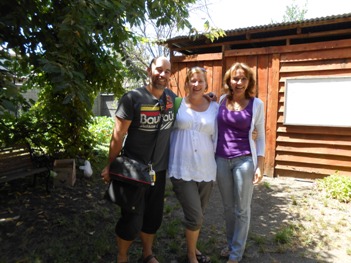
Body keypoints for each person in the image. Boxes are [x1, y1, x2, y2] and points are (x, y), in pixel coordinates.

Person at [101, 56, 176, 263]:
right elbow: (118, 136)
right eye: (159, 69)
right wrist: (111, 165)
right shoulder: (132, 98)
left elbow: (190, 110)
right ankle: (122, 257)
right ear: (148, 70)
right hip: (133, 171)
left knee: (153, 219)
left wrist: (209, 98)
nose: (163, 74)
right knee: (132, 220)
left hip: (158, 171)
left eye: (167, 71)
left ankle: (147, 254)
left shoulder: (171, 98)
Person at [215, 62, 265, 263]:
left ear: (249, 81)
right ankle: (231, 244)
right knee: (228, 207)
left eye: (244, 78)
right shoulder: (220, 101)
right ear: (229, 80)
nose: (239, 82)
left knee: (242, 209)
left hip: (244, 160)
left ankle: (236, 254)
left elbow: (260, 135)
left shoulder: (256, 104)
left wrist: (260, 164)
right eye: (235, 78)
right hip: (221, 159)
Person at [168, 67, 218, 263]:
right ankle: (190, 256)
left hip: (206, 168)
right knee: (195, 216)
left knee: (199, 213)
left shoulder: (216, 107)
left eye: (200, 81)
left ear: (206, 84)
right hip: (181, 168)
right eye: (192, 81)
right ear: (186, 83)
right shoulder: (177, 105)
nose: (196, 85)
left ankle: (193, 246)